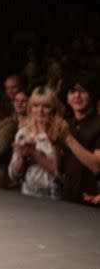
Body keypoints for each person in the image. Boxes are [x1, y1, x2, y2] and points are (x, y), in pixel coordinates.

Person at [8, 86, 68, 200]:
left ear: (54, 109)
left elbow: (59, 176)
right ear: (30, 108)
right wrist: (21, 157)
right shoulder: (23, 133)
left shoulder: (61, 133)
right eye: (36, 106)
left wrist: (35, 155)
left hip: (54, 198)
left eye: (46, 106)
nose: (40, 111)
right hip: (28, 196)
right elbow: (13, 175)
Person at [59, 73, 100, 205]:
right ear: (66, 97)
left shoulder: (98, 125)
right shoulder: (66, 124)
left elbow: (96, 166)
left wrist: (67, 138)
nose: (77, 96)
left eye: (82, 91)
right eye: (72, 91)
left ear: (92, 94)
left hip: (90, 200)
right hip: (66, 198)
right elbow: (57, 169)